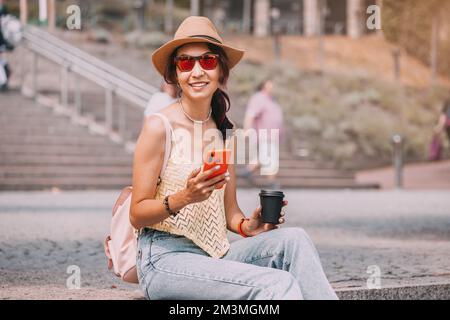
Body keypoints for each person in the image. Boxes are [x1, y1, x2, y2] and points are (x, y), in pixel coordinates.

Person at [130, 16, 337, 300]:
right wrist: (185, 196)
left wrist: (249, 226)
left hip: (215, 254)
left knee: (295, 240)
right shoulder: (159, 126)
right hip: (164, 259)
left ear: (221, 70)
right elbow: (137, 214)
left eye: (208, 61)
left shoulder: (226, 132)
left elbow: (230, 214)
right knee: (275, 285)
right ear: (175, 74)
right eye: (186, 63)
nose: (198, 71)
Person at [240, 79, 284, 189]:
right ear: (263, 86)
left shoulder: (272, 100)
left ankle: (249, 171)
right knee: (268, 157)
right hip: (264, 134)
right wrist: (246, 130)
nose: (273, 87)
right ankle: (270, 181)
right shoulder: (259, 98)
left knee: (268, 157)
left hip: (272, 136)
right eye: (270, 84)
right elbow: (250, 114)